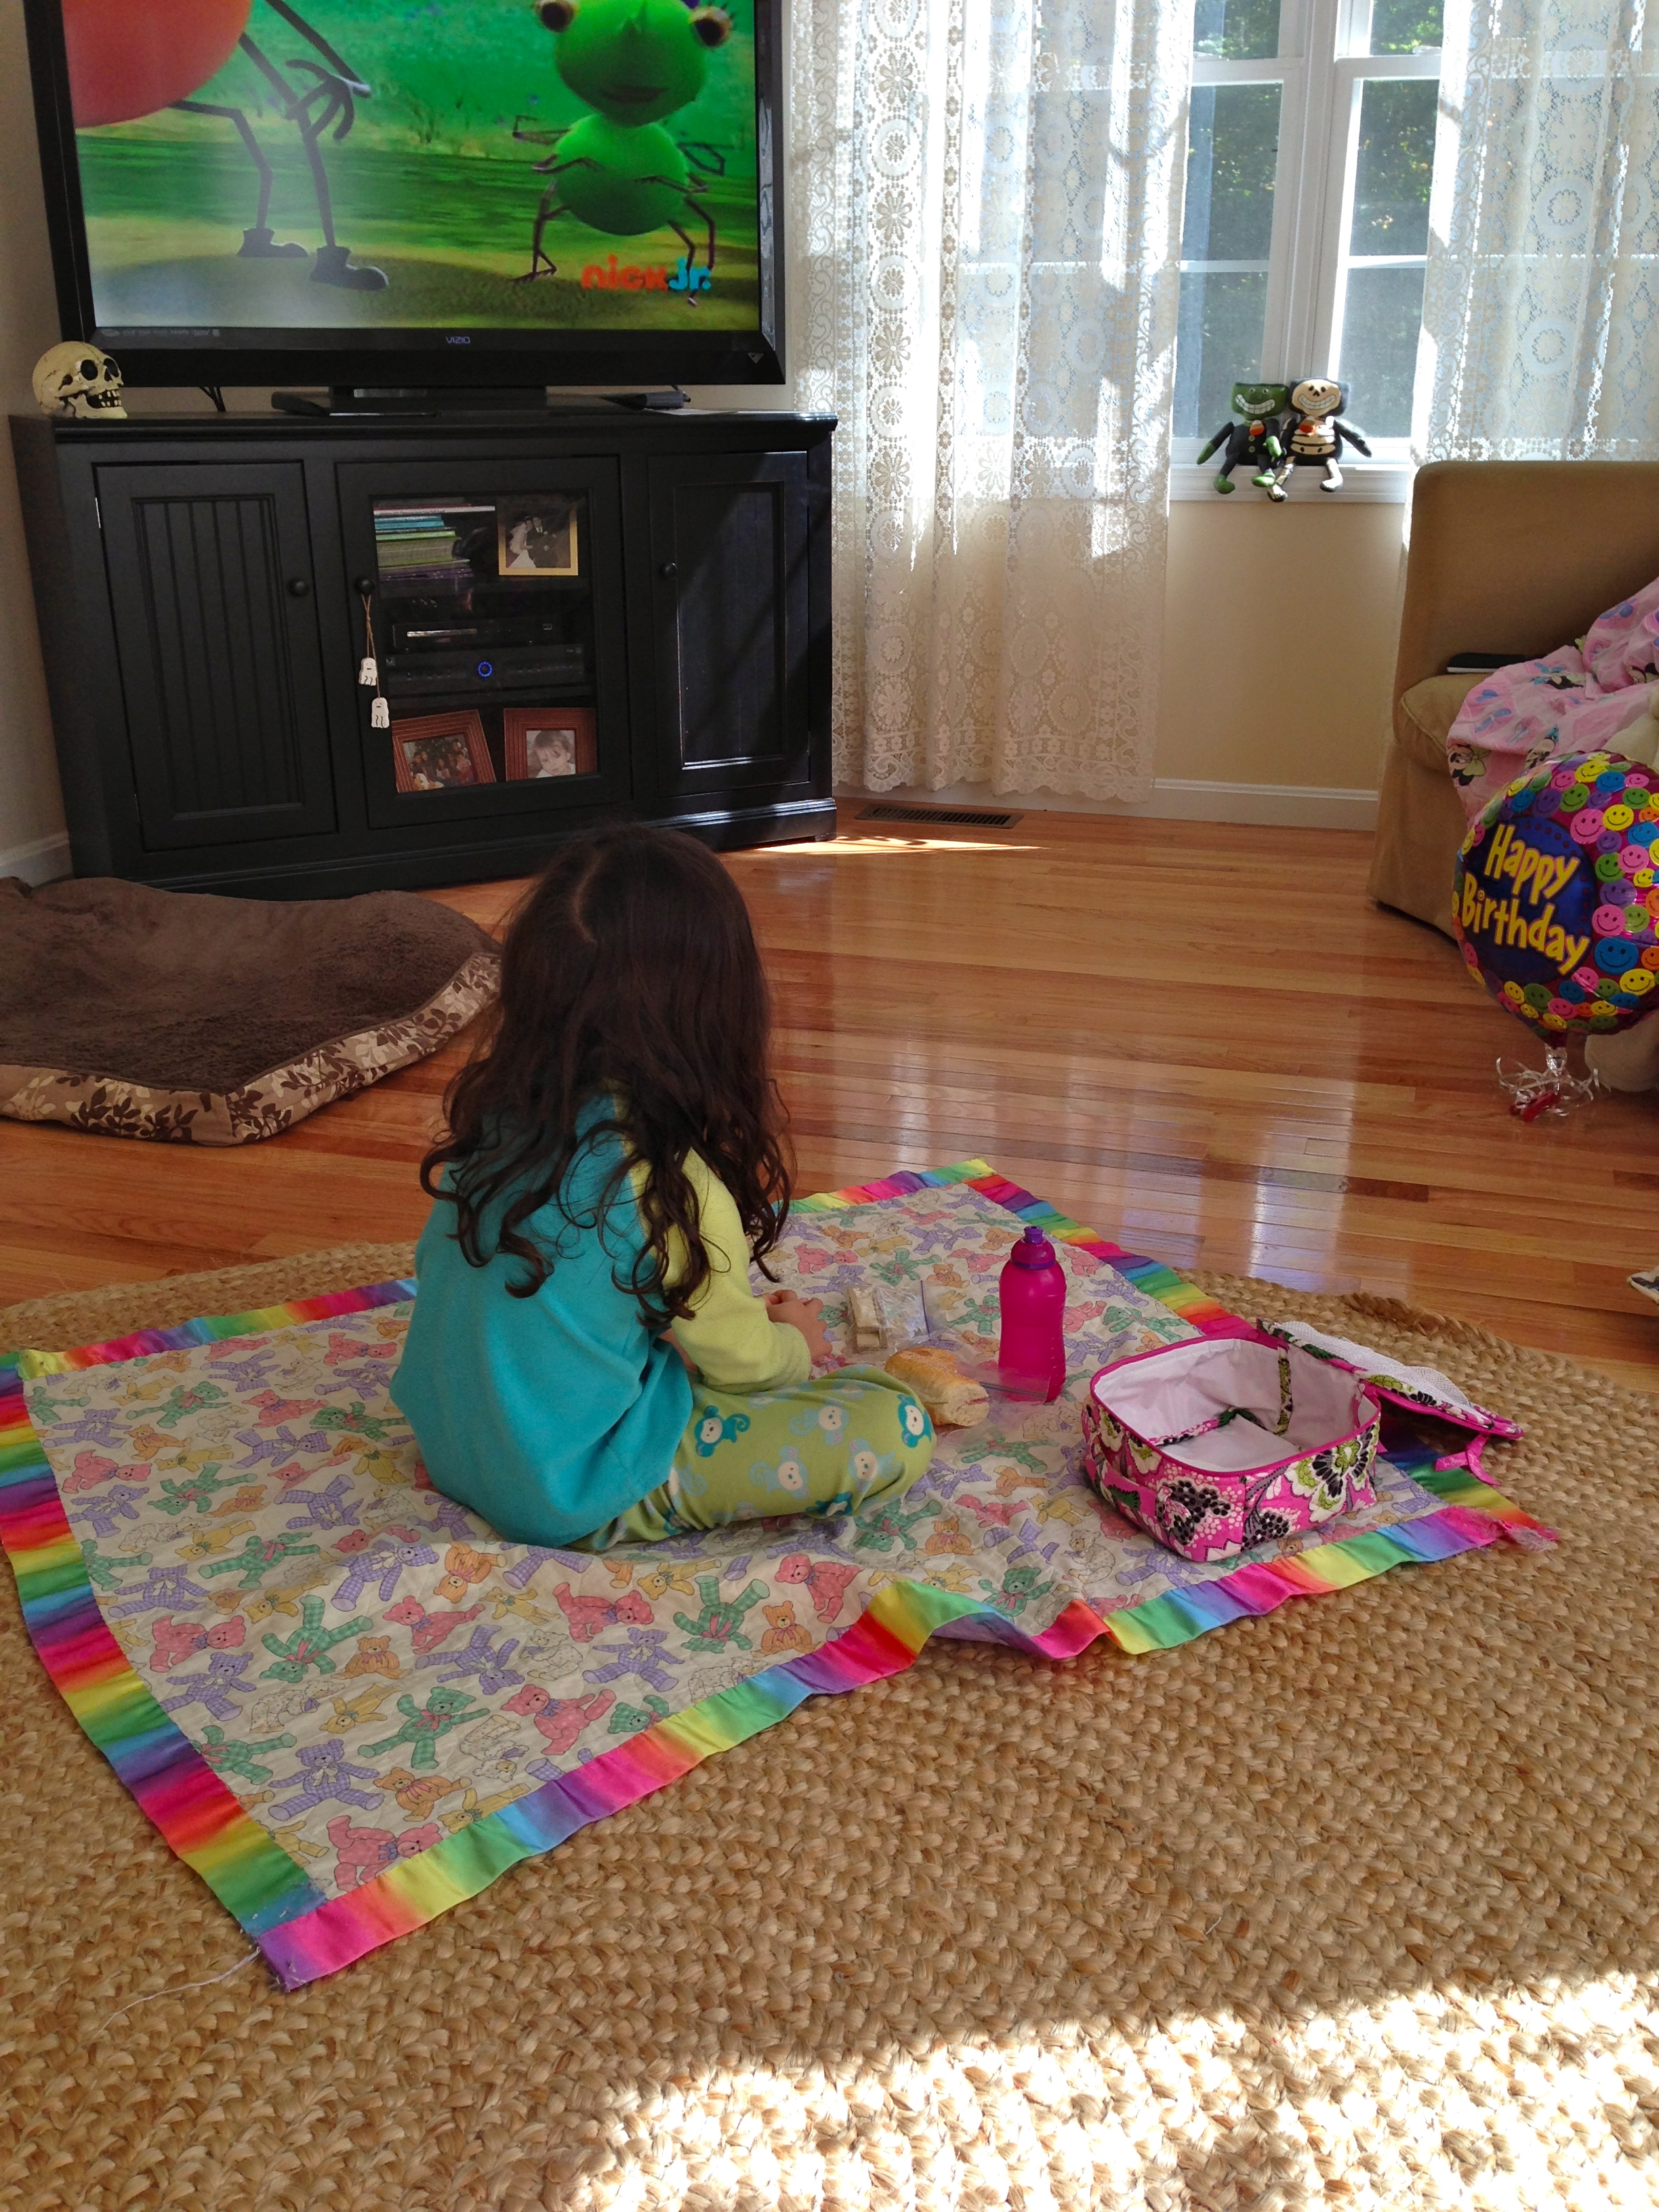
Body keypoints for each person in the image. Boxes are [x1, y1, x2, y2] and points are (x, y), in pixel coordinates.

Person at [392, 825, 935, 1549]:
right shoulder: (667, 1181)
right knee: (893, 1424)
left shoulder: (497, 1121)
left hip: (454, 1446)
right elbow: (743, 1365)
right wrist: (795, 1346)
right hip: (566, 1488)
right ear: (718, 1007)